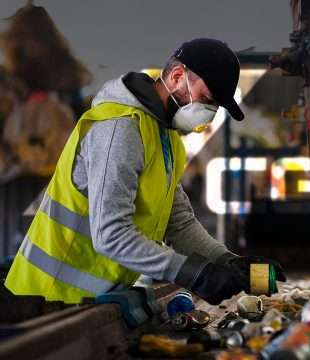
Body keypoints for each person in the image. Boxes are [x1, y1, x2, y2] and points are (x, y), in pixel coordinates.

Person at [5, 38, 285, 304]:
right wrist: (193, 274)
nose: (209, 113)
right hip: (44, 300)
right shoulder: (119, 128)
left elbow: (181, 225)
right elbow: (111, 235)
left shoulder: (167, 138)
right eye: (207, 99)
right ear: (177, 76)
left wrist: (229, 262)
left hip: (88, 302)